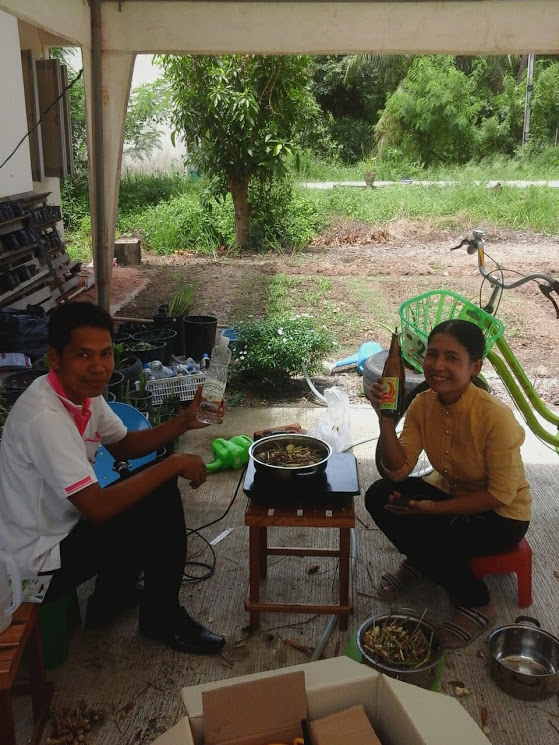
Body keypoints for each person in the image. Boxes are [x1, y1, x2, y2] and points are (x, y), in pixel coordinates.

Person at [0, 302, 225, 655]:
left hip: (63, 530)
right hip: (35, 567)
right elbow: (98, 508)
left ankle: (110, 600)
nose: (98, 367)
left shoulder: (81, 394)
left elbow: (123, 445)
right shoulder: (44, 417)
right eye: (83, 355)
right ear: (54, 358)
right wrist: (172, 464)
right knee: (158, 498)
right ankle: (161, 617)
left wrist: (184, 421)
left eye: (105, 354)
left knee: (150, 489)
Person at [364, 319, 530, 648]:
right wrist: (385, 419)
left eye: (452, 358)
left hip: (500, 516)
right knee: (380, 496)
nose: (437, 365)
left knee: (430, 529)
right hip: (451, 491)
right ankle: (423, 561)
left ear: (474, 367)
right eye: (432, 354)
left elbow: (499, 494)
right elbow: (397, 471)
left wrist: (434, 509)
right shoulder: (423, 403)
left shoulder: (496, 417)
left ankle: (477, 602)